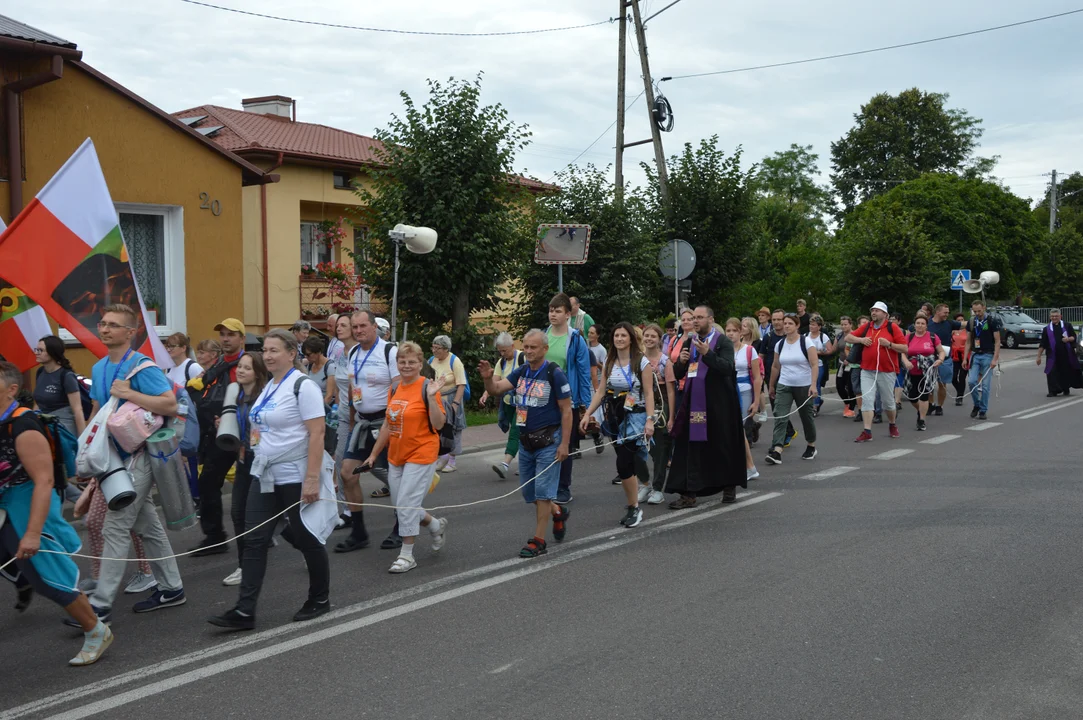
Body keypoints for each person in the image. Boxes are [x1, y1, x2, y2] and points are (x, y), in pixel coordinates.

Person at [208, 329, 332, 630]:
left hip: (295, 475)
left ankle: (319, 598)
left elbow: (317, 433)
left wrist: (312, 479)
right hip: (264, 475)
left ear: (292, 353)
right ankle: (244, 611)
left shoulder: (303, 386)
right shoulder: (269, 387)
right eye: (265, 350)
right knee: (254, 540)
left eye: (274, 350)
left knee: (305, 536)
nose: (268, 355)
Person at [0, 362, 113, 666]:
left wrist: (34, 533)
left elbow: (44, 482)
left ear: (11, 390)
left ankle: (95, 630)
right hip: (4, 506)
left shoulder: (22, 425)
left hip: (25, 506)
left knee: (48, 579)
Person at [80, 304, 186, 625]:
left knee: (115, 526)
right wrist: (87, 451)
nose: (105, 328)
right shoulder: (99, 368)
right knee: (147, 526)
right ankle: (172, 588)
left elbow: (169, 403)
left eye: (113, 325)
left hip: (140, 457)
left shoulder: (142, 366)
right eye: (102, 323)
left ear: (130, 333)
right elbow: (99, 410)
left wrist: (130, 393)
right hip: (112, 461)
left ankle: (99, 605)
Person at [358, 341, 449, 573]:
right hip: (396, 455)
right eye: (402, 361)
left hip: (422, 452)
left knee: (407, 504)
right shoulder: (395, 388)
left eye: (412, 362)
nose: (406, 365)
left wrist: (431, 398)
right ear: (396, 363)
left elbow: (438, 424)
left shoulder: (426, 386)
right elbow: (389, 423)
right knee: (402, 506)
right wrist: (373, 454)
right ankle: (436, 525)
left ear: (420, 364)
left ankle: (407, 555)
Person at [480, 330, 572, 557]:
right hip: (525, 441)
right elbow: (496, 390)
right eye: (527, 347)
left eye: (534, 347)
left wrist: (565, 445)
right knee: (529, 493)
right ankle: (558, 512)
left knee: (542, 492)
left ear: (544, 349)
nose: (529, 351)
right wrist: (487, 377)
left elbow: (567, 410)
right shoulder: (521, 371)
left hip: (549, 441)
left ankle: (538, 540)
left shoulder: (554, 373)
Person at [668, 305, 746, 507]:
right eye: (693, 317)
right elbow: (677, 375)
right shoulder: (689, 341)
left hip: (719, 406)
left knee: (722, 446)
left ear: (711, 320)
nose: (695, 321)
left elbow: (727, 368)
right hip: (693, 404)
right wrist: (681, 363)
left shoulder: (723, 342)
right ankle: (688, 493)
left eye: (700, 317)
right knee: (690, 447)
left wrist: (708, 354)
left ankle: (729, 486)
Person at [580, 322, 654, 526]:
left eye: (623, 335)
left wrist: (650, 420)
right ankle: (634, 503)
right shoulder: (610, 362)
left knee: (623, 462)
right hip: (615, 417)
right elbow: (601, 391)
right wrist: (587, 414)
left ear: (631, 338)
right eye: (616, 336)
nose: (619, 339)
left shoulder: (641, 362)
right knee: (626, 464)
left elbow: (648, 393)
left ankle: (634, 507)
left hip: (636, 419)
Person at [338, 310, 398, 553]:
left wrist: (393, 424)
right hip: (362, 423)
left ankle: (401, 528)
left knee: (396, 476)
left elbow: (399, 388)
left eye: (363, 326)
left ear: (374, 327)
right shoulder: (352, 352)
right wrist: (353, 421)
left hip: (386, 422)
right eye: (355, 327)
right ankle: (359, 532)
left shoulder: (389, 352)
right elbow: (354, 391)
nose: (358, 330)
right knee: (347, 473)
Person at [189, 318, 247, 556]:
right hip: (218, 435)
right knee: (208, 483)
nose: (225, 338)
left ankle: (283, 532)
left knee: (258, 486)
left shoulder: (248, 363)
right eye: (222, 334)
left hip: (244, 434)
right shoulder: (219, 363)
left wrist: (234, 416)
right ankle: (215, 538)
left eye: (231, 334)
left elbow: (256, 396)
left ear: (241, 338)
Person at [221, 352, 269, 586]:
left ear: (258, 373)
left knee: (280, 519)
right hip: (243, 460)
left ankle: (309, 548)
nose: (240, 371)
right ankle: (244, 566)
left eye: (247, 368)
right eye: (239, 366)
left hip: (263, 461)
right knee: (238, 513)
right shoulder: (236, 395)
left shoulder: (265, 397)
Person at [545, 293, 593, 505]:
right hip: (545, 399)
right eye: (551, 310)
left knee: (566, 444)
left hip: (568, 400)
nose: (553, 314)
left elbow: (583, 373)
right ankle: (549, 484)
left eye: (557, 311)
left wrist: (586, 407)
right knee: (546, 444)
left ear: (567, 314)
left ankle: (563, 487)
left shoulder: (575, 339)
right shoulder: (543, 335)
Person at [848, 302, 908, 442]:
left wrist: (890, 345)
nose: (873, 313)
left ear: (885, 314)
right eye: (872, 310)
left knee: (888, 402)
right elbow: (848, 337)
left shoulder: (892, 327)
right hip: (867, 369)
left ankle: (892, 424)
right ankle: (867, 431)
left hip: (887, 371)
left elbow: (905, 348)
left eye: (877, 310)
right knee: (867, 400)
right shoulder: (867, 326)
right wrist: (861, 339)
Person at [765, 313, 819, 464]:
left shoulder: (806, 342)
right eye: (785, 323)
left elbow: (814, 364)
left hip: (804, 385)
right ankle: (777, 450)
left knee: (806, 417)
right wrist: (771, 385)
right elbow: (775, 366)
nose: (786, 325)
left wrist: (813, 385)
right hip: (784, 384)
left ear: (796, 326)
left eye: (790, 323)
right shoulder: (780, 344)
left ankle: (811, 445)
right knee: (780, 415)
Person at [638, 324, 675, 505]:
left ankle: (658, 488)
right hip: (639, 405)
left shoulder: (665, 362)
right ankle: (645, 483)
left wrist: (671, 416)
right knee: (637, 449)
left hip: (661, 407)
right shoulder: (637, 359)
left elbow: (670, 392)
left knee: (660, 450)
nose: (649, 339)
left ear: (659, 339)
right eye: (647, 335)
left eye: (653, 336)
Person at [481, 332, 523, 479]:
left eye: (505, 350)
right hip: (509, 404)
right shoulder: (501, 362)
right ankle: (526, 464)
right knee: (520, 433)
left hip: (524, 406)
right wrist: (486, 393)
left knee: (516, 432)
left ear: (512, 346)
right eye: (500, 351)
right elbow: (495, 382)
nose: (502, 353)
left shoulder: (522, 358)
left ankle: (505, 464)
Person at [330, 313, 357, 527]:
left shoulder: (360, 353)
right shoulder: (339, 352)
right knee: (339, 463)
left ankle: (401, 496)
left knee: (376, 465)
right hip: (344, 418)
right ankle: (346, 511)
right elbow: (339, 383)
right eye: (337, 325)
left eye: (344, 325)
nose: (339, 328)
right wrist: (339, 406)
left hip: (361, 419)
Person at [32, 335, 87, 438]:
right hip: (43, 426)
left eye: (40, 350)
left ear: (52, 352)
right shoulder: (40, 372)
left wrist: (82, 439)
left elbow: (77, 409)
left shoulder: (66, 375)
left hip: (62, 429)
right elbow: (38, 402)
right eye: (36, 349)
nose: (36, 353)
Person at [428, 335, 467, 473]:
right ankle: (442, 457)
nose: (434, 351)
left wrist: (455, 404)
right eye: (433, 347)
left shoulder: (455, 361)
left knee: (454, 429)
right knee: (438, 429)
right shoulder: (432, 360)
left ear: (446, 349)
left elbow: (461, 384)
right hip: (437, 400)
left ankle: (452, 461)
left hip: (451, 399)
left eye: (438, 348)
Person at [729, 318, 761, 481]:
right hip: (728, 391)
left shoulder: (749, 350)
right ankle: (745, 466)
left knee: (738, 428)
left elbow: (757, 377)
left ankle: (749, 467)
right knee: (733, 430)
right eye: (728, 331)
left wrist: (756, 402)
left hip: (745, 390)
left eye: (734, 331)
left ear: (741, 333)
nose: (731, 334)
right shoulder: (723, 350)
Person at [758, 308, 796, 446]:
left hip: (787, 376)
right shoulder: (768, 337)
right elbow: (761, 356)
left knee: (782, 407)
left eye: (779, 319)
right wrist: (759, 373)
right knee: (776, 407)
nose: (776, 322)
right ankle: (788, 431)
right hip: (771, 376)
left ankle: (785, 435)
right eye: (774, 320)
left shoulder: (790, 337)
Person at [904, 312, 945, 431]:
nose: (920, 325)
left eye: (922, 323)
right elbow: (902, 352)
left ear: (926, 326)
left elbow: (941, 351)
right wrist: (906, 361)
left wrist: (940, 360)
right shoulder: (909, 337)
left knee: (924, 395)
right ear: (914, 325)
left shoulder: (932, 336)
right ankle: (921, 410)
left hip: (927, 372)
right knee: (912, 397)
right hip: (912, 371)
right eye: (918, 323)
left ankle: (922, 420)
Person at [963, 299, 1001, 420]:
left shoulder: (991, 320)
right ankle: (977, 404)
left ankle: (983, 410)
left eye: (979, 311)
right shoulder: (972, 322)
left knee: (985, 385)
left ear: (984, 308)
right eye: (975, 311)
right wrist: (965, 358)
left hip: (988, 355)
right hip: (975, 354)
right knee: (971, 381)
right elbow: (968, 341)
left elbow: (997, 341)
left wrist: (995, 359)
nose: (977, 313)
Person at [1036, 308, 1082, 397]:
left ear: (1060, 316)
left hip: (1066, 354)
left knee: (1065, 371)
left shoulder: (1067, 325)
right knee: (1052, 372)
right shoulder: (1047, 329)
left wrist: (1068, 339)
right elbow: (1043, 344)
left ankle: (1065, 388)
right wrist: (1038, 356)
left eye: (1056, 316)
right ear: (1050, 317)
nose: (1054, 318)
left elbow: (1074, 337)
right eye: (1052, 316)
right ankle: (1053, 391)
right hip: (1052, 355)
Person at [926, 304, 961, 415]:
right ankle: (930, 404)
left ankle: (939, 406)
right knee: (929, 384)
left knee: (942, 384)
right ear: (937, 312)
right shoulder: (927, 323)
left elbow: (965, 324)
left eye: (948, 312)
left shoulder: (949, 323)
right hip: (929, 358)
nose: (947, 314)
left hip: (945, 359)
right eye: (945, 312)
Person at [585, 324, 607, 455]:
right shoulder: (585, 346)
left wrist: (594, 361)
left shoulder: (601, 350)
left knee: (594, 413)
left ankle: (597, 433)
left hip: (596, 382)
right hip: (584, 382)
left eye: (592, 333)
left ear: (598, 335)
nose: (590, 335)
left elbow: (604, 368)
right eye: (589, 332)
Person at [806, 315, 834, 416]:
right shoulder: (806, 336)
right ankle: (810, 404)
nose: (811, 327)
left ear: (819, 326)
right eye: (810, 324)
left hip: (819, 364)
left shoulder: (823, 336)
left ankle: (815, 406)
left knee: (816, 384)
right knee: (807, 384)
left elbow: (830, 350)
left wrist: (820, 352)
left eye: (813, 325)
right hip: (807, 365)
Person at [834, 317, 857, 418]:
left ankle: (851, 408)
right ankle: (847, 403)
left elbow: (857, 350)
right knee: (839, 385)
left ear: (851, 325)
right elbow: (833, 349)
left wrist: (851, 359)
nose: (843, 326)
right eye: (842, 324)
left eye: (845, 324)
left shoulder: (855, 335)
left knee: (851, 387)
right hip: (842, 363)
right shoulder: (839, 336)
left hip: (852, 364)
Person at [950, 313, 969, 405]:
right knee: (953, 378)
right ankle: (960, 391)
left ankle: (959, 397)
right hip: (955, 357)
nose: (960, 321)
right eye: (958, 320)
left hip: (965, 356)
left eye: (962, 319)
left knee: (962, 377)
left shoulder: (968, 331)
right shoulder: (952, 331)